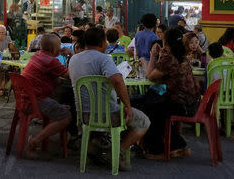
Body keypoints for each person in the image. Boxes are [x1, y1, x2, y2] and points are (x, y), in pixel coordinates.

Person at [69, 27, 150, 171]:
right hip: (107, 116)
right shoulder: (104, 59)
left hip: (83, 115)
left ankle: (94, 146)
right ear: (102, 42)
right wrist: (128, 107)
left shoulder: (74, 58)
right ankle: (115, 152)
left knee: (107, 108)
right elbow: (118, 81)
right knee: (143, 122)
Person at [143, 28, 200, 159]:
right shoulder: (182, 56)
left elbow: (150, 77)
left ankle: (156, 150)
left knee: (150, 108)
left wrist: (152, 55)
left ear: (166, 43)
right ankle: (177, 145)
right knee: (155, 103)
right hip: (193, 104)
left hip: (182, 106)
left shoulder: (169, 58)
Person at [22, 34, 73, 157]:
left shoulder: (38, 55)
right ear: (55, 49)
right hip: (35, 101)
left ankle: (65, 139)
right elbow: (71, 75)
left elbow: (54, 79)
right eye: (59, 45)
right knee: (66, 116)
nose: (61, 47)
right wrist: (71, 54)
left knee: (62, 95)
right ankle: (35, 141)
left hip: (25, 98)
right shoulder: (51, 61)